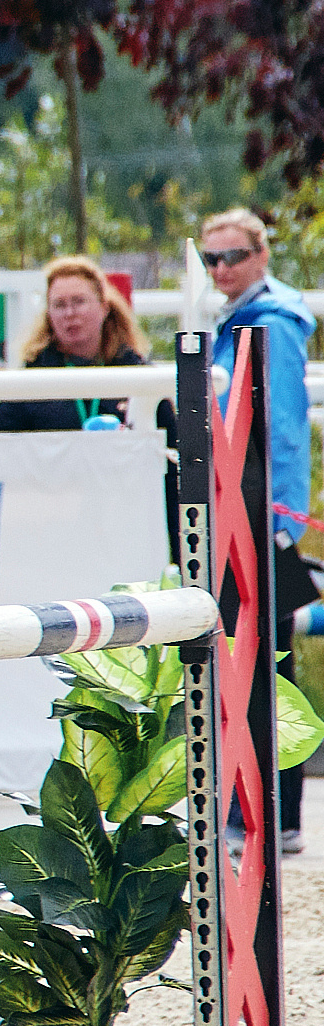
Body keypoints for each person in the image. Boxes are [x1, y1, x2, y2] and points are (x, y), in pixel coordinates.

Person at [200, 208, 317, 853]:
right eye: (211, 259)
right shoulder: (236, 320)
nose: (222, 270)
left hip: (258, 516)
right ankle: (270, 812)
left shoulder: (267, 324)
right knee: (255, 660)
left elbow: (282, 429)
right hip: (238, 511)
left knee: (265, 666)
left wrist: (276, 519)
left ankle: (276, 813)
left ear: (261, 255)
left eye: (233, 257)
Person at [0, 256, 148, 433]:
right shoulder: (30, 381)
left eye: (79, 301)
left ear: (104, 307)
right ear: (48, 314)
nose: (69, 313)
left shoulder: (135, 372)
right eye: (59, 304)